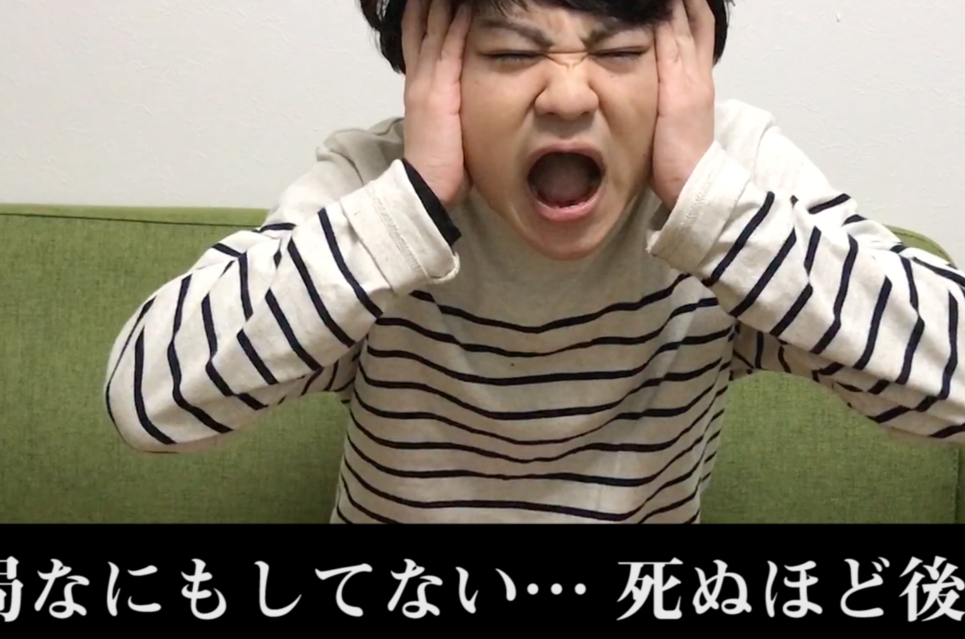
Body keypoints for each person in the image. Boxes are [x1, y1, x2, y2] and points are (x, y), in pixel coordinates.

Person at [103, 0, 965, 523]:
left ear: (683, 66)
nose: (566, 94)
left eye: (618, 53)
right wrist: (411, 203)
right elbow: (147, 402)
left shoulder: (727, 186)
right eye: (512, 54)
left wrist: (708, 207)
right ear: (434, 71)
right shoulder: (377, 190)